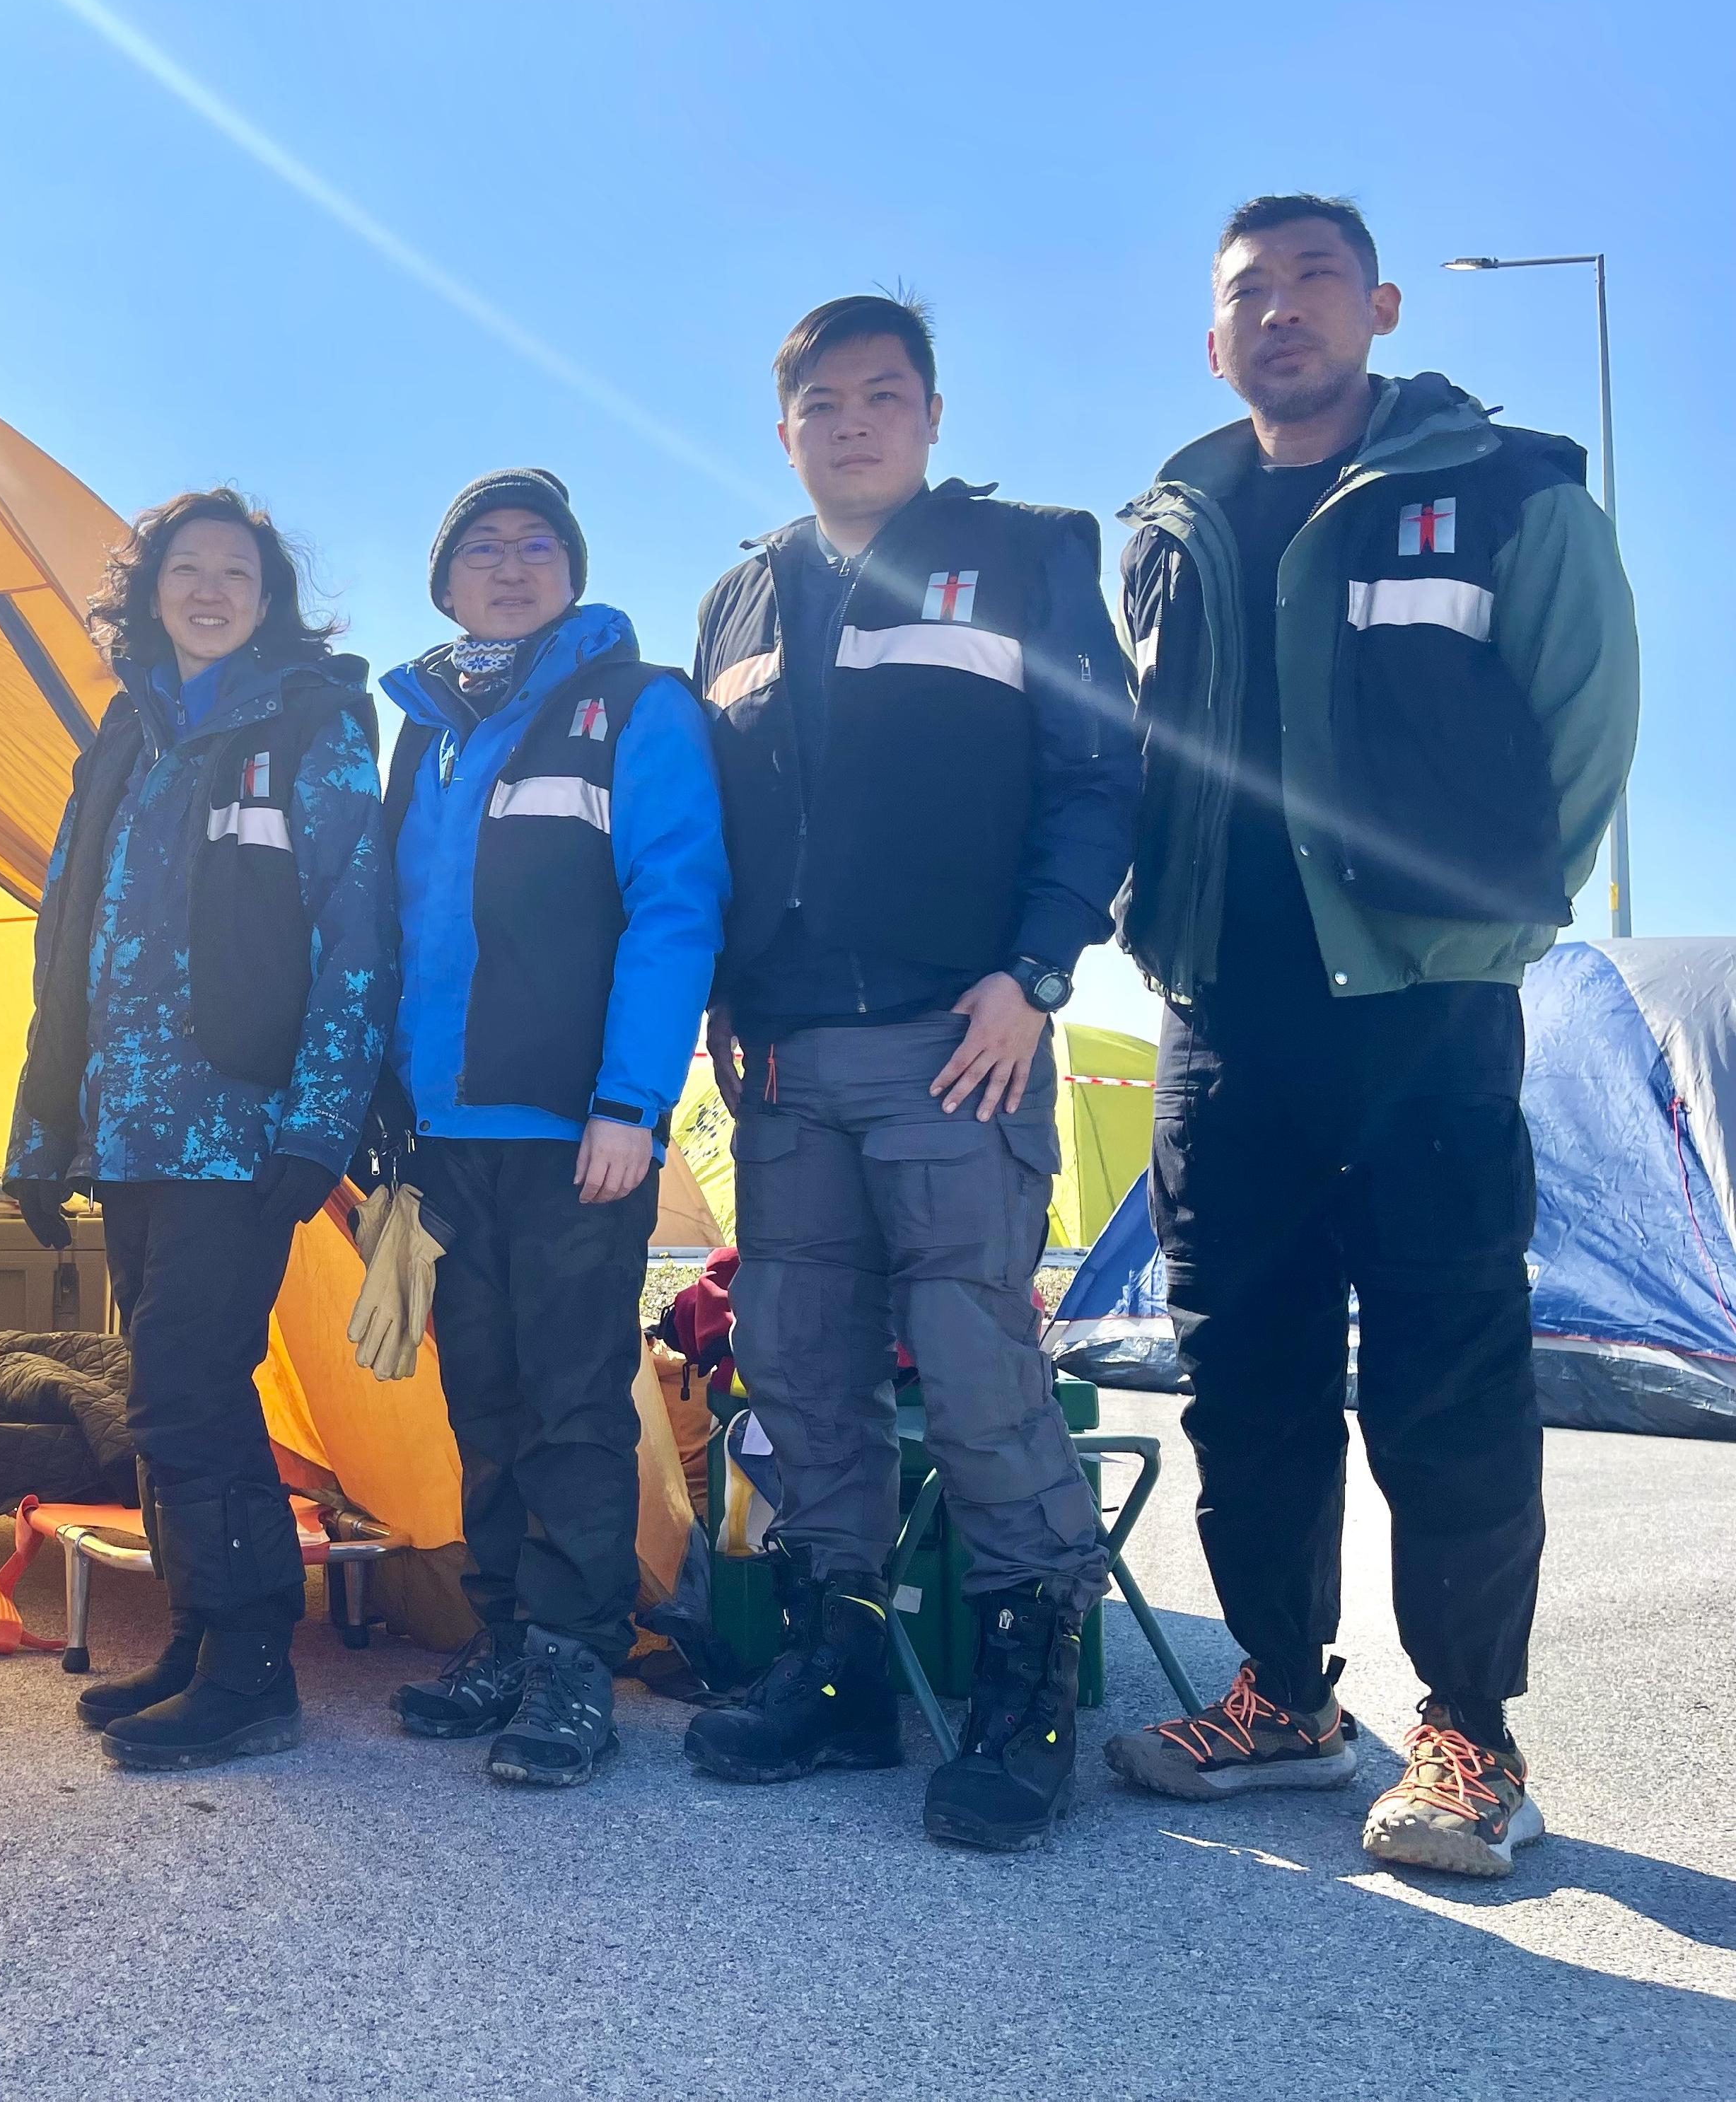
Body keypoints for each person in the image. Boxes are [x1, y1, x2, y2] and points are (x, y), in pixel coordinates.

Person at [1099, 197, 1637, 1879]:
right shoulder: (1170, 526)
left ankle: (1468, 1736)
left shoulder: (1506, 492)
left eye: (1313, 281)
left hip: (1420, 1009)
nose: (1280, 313)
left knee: (1444, 1379)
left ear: (1378, 306)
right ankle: (1280, 1697)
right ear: (1210, 340)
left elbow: (1583, 720)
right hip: (1220, 1019)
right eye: (1245, 292)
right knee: (1244, 1378)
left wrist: (1491, 929)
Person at [685, 294, 1140, 1852]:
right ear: (783, 428)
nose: (852, 422)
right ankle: (837, 1670)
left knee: (974, 1368)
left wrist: (1032, 976)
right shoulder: (736, 602)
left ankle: (1027, 1692)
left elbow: (1095, 782)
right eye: (822, 401)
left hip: (961, 1044)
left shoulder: (1023, 558)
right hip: (788, 1057)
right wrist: (728, 993)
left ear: (931, 416)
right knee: (797, 1365)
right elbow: (718, 832)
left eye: (883, 396)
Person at [4, 489, 396, 1772]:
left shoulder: (315, 724)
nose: (211, 589)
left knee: (186, 1380)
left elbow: (357, 926)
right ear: (151, 588)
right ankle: (198, 1635)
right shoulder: (122, 732)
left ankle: (254, 1667)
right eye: (189, 568)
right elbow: (70, 932)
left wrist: (321, 1119)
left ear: (270, 596)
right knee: (169, 1388)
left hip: (242, 1121)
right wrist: (41, 1119)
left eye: (238, 571)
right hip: (129, 1123)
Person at [378, 468, 728, 1787]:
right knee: (484, 1392)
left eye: (537, 546)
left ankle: (579, 1657)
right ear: (445, 578)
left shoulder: (633, 709)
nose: (511, 565)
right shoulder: (426, 729)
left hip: (582, 1127)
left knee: (577, 1396)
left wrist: (633, 1103)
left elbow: (675, 905)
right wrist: (388, 1113)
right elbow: (397, 931)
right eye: (483, 547)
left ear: (573, 572)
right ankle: (507, 1635)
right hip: (445, 1130)